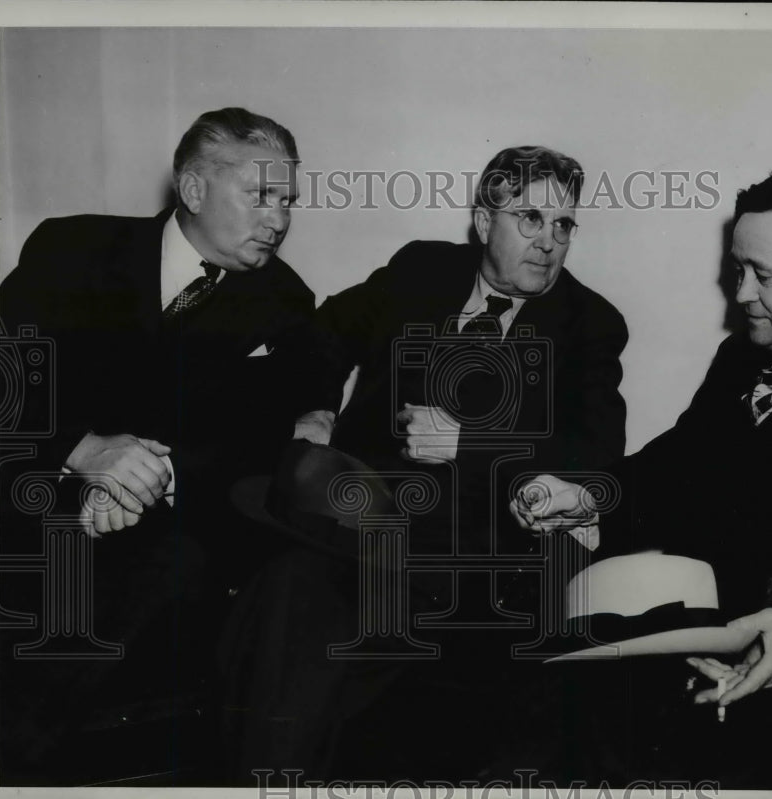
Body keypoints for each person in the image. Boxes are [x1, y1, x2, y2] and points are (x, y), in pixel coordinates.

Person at [511, 168, 772, 789]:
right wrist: (589, 497)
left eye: (762, 275)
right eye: (736, 268)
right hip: (716, 638)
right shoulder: (742, 356)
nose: (739, 293)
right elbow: (678, 463)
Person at [220, 145, 629, 782]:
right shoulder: (420, 270)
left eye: (564, 225)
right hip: (346, 527)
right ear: (482, 220)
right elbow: (324, 334)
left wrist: (470, 445)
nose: (549, 241)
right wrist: (317, 407)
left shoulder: (590, 325)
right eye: (529, 217)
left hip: (460, 561)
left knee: (293, 626)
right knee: (289, 593)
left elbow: (599, 455)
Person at [0, 107, 322, 783]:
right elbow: (0, 381)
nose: (280, 219)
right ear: (195, 189)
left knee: (173, 561)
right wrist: (84, 451)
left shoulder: (286, 302)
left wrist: (147, 476)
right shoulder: (72, 250)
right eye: (260, 196)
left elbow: (250, 444)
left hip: (154, 519)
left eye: (288, 200)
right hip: (28, 479)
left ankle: (8, 764)